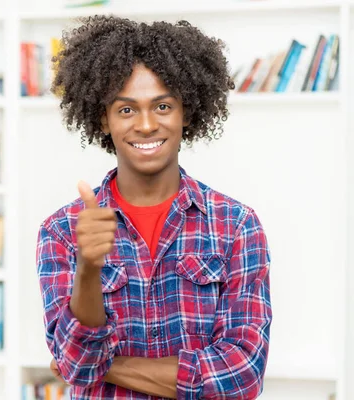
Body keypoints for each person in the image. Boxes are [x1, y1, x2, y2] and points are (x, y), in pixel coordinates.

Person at [35, 15, 272, 400]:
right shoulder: (62, 231)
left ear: (187, 113)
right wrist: (88, 271)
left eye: (162, 106)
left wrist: (106, 367)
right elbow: (77, 362)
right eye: (126, 110)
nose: (146, 125)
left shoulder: (236, 226)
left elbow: (241, 374)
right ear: (104, 120)